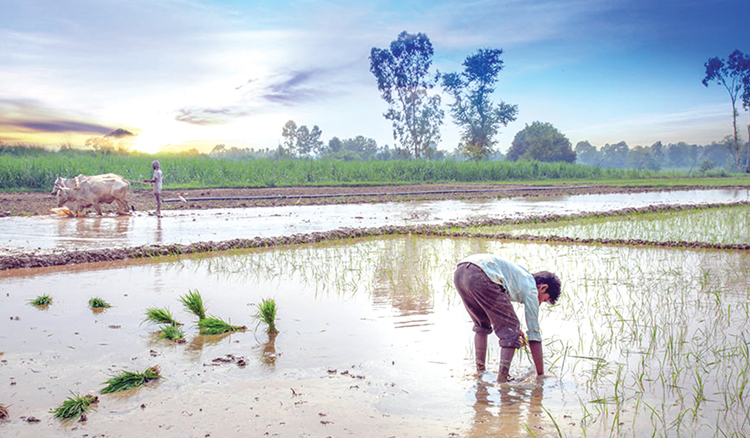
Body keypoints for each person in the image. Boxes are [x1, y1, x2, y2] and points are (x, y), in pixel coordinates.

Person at [453, 254, 561, 382]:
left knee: (482, 324)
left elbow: (499, 309)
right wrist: (540, 374)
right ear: (543, 287)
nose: (539, 304)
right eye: (543, 300)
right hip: (481, 273)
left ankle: (480, 372)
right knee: (511, 331)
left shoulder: (521, 276)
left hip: (461, 272)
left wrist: (512, 327)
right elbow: (534, 335)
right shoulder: (532, 289)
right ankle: (502, 379)